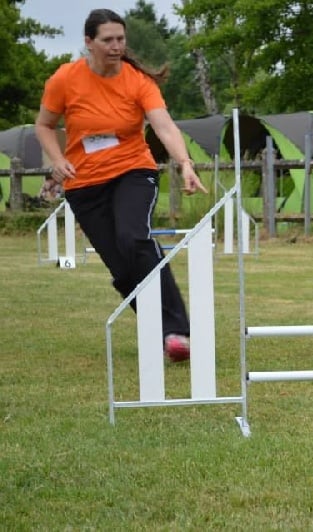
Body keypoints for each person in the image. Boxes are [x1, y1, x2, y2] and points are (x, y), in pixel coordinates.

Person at [34, 9, 208, 363]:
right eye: (108, 40)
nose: (116, 46)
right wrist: (55, 159)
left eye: (121, 39)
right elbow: (44, 125)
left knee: (134, 238)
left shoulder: (137, 81)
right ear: (88, 43)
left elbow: (164, 126)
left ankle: (178, 330)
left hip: (133, 172)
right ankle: (162, 334)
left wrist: (185, 163)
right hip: (84, 183)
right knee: (119, 265)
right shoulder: (65, 79)